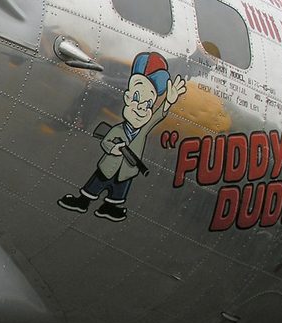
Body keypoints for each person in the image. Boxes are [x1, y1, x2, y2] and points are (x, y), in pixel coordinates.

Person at [58, 52, 186, 222]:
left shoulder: (143, 129)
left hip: (127, 172)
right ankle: (82, 201)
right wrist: (114, 148)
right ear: (126, 97)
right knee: (95, 185)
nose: (141, 107)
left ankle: (109, 207)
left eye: (148, 104)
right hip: (108, 167)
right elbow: (105, 141)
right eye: (136, 99)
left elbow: (158, 116)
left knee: (118, 192)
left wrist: (168, 102)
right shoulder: (118, 129)